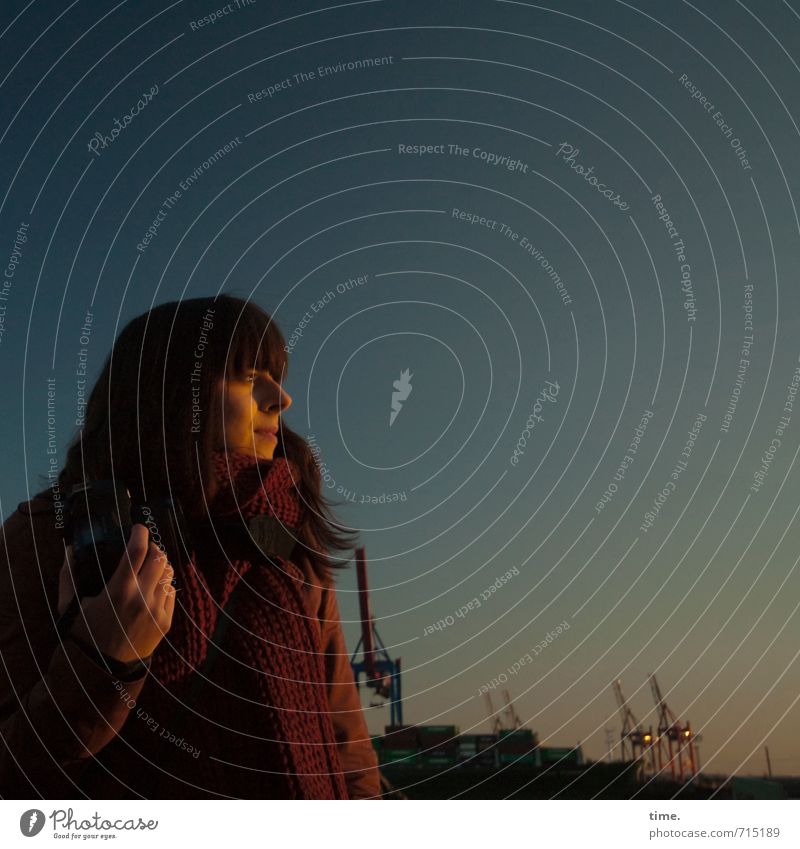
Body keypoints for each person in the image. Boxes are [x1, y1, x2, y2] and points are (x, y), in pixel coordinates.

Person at [0, 294, 382, 799]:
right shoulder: (54, 537)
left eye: (278, 377)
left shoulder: (285, 541)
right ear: (176, 393)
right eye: (248, 377)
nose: (280, 398)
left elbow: (346, 748)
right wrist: (102, 660)